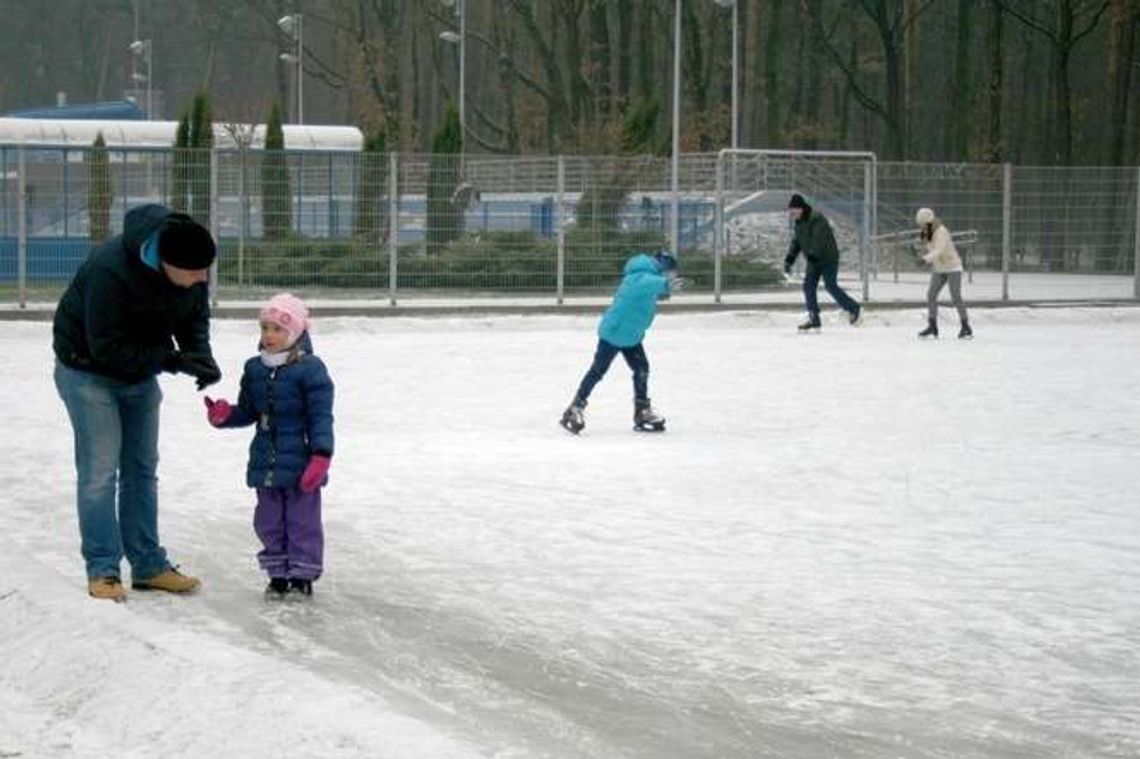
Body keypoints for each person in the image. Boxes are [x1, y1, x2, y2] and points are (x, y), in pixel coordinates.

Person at [53, 204, 220, 601]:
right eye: (194, 273)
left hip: (140, 374)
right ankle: (103, 570)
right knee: (99, 473)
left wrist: (200, 356)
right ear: (165, 263)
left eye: (205, 272)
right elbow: (106, 347)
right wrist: (171, 360)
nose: (202, 280)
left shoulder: (189, 270)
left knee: (142, 470)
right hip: (88, 373)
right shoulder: (109, 270)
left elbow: (193, 316)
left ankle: (148, 565)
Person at [204, 293, 335, 598]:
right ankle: (277, 574)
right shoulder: (255, 368)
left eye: (278, 329)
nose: (269, 335)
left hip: (301, 460)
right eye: (265, 328)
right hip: (265, 460)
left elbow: (321, 417)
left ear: (296, 333)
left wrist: (321, 455)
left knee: (302, 521)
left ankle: (302, 576)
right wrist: (224, 415)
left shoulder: (311, 369)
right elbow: (249, 411)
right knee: (268, 519)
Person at [560, 251, 680, 434]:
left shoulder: (649, 278)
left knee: (642, 369)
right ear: (663, 268)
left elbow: (650, 293)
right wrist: (665, 284)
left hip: (631, 336)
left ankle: (642, 411)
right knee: (598, 371)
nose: (673, 275)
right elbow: (646, 284)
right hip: (614, 333)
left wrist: (665, 288)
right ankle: (575, 408)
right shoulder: (638, 277)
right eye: (671, 272)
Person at [784, 193, 862, 331]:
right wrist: (789, 259)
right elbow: (797, 242)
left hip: (828, 259)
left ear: (801, 208)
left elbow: (819, 238)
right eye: (791, 210)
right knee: (808, 287)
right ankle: (814, 318)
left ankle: (853, 308)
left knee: (830, 286)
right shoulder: (799, 223)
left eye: (794, 210)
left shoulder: (816, 218)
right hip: (814, 260)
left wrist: (813, 255)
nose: (792, 213)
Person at [914, 207, 973, 339]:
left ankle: (966, 326)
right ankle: (932, 325)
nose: (922, 227)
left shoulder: (941, 231)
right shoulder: (927, 230)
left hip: (953, 267)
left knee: (955, 296)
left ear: (928, 221)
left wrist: (925, 259)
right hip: (939, 267)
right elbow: (925, 246)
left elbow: (939, 249)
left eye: (923, 224)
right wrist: (918, 251)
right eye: (920, 224)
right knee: (931, 295)